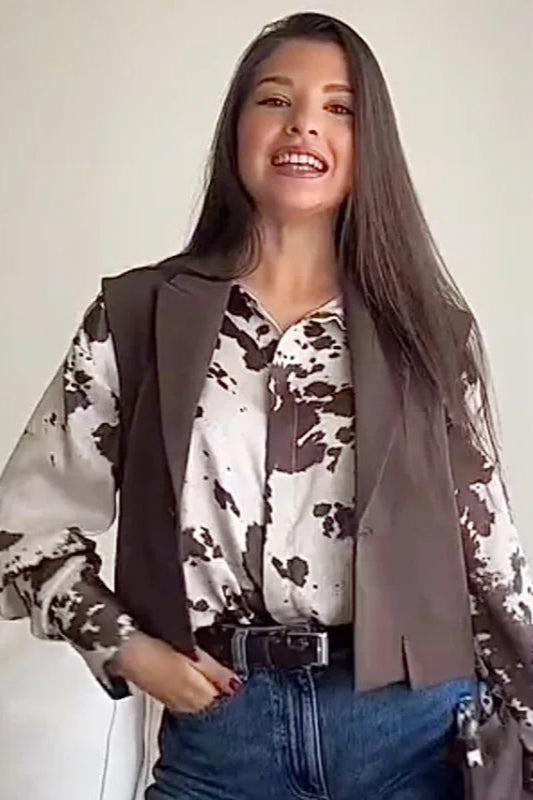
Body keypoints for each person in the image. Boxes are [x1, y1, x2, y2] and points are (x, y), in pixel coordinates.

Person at [0, 11, 532, 800]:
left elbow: (491, 557)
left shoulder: (427, 330)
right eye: (275, 99)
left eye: (338, 107)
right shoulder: (138, 317)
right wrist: (127, 648)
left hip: (411, 733)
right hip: (221, 736)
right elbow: (23, 528)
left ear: (369, 144)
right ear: (237, 129)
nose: (303, 124)